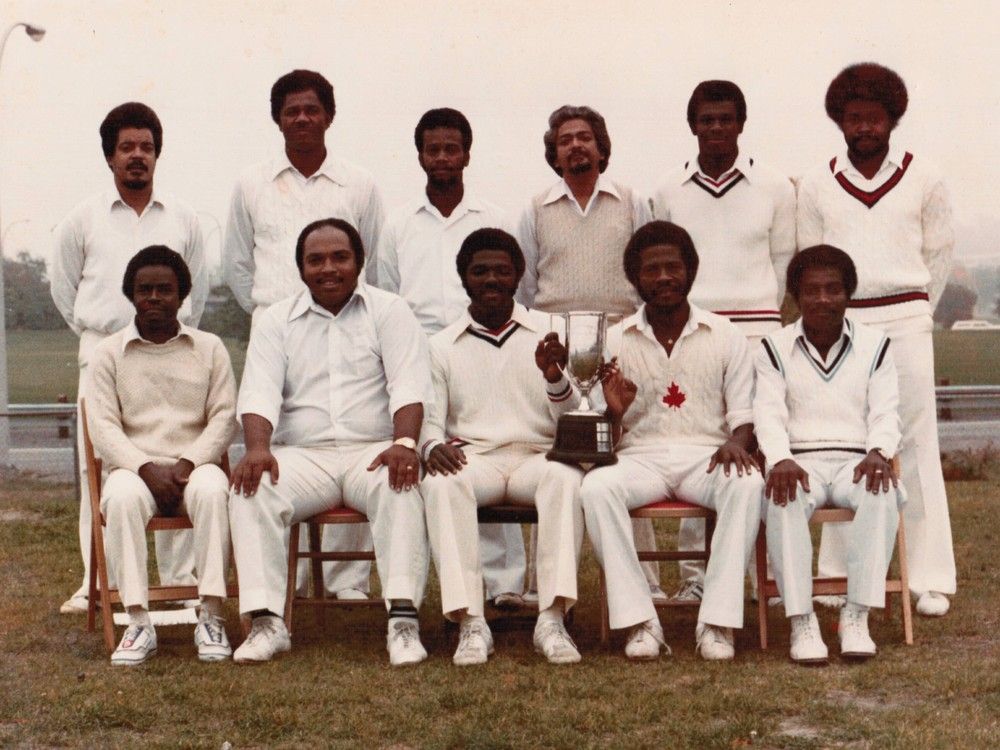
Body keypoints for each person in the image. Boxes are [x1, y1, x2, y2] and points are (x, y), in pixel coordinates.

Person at [228, 218, 431, 666]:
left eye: (340, 257)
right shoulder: (275, 320)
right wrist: (258, 448)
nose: (328, 268)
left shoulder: (390, 310)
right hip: (304, 455)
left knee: (401, 483)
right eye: (315, 260)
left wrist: (404, 442)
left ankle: (402, 621)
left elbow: (409, 385)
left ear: (359, 262)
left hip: (372, 451)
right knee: (252, 487)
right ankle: (267, 623)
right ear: (300, 269)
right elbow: (258, 391)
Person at [797, 63, 955, 616]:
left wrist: (913, 311)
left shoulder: (925, 176)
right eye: (853, 117)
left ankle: (929, 578)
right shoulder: (817, 182)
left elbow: (938, 255)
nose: (864, 126)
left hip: (907, 317)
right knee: (843, 444)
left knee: (912, 446)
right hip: (844, 321)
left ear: (892, 119)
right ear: (839, 121)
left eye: (874, 116)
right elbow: (810, 258)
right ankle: (838, 573)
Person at [223, 69, 384, 599]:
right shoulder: (251, 182)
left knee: (353, 436)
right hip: (278, 328)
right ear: (277, 119)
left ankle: (347, 580)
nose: (302, 119)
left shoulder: (358, 182)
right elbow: (237, 264)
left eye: (312, 109)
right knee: (279, 449)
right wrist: (277, 313)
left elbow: (374, 259)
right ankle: (282, 581)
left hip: (349, 325)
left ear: (329, 116)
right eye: (291, 111)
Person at [579, 221, 763, 661]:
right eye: (651, 270)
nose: (663, 278)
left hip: (707, 455)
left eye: (673, 267)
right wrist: (614, 413)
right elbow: (604, 431)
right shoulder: (614, 339)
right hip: (639, 457)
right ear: (635, 278)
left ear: (691, 271)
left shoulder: (725, 334)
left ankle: (717, 622)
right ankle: (639, 622)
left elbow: (743, 415)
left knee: (748, 483)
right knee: (596, 488)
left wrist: (739, 442)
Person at [50, 102, 206, 615]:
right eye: (126, 148)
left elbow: (197, 291)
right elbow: (64, 290)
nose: (136, 157)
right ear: (110, 157)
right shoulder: (82, 219)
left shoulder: (183, 218)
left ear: (157, 155)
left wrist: (167, 339)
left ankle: (179, 582)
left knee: (172, 461)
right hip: (103, 355)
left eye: (146, 147)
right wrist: (107, 339)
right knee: (101, 466)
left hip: (170, 354)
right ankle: (100, 582)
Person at [651, 80, 796, 602]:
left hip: (758, 331)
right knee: (703, 448)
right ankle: (697, 578)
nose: (716, 128)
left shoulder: (776, 186)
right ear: (692, 125)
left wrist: (763, 323)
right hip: (694, 332)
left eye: (726, 119)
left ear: (741, 123)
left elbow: (783, 262)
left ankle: (768, 577)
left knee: (762, 448)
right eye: (706, 119)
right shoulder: (668, 189)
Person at [377, 108, 526, 608]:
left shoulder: (494, 217)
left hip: (485, 346)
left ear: (466, 152)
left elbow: (511, 281)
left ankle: (505, 585)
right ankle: (440, 584)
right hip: (419, 354)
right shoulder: (398, 222)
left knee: (493, 449)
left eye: (451, 148)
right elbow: (388, 291)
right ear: (419, 154)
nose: (442, 157)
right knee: (435, 465)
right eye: (432, 149)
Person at [421, 228, 586, 665]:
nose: (491, 279)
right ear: (464, 278)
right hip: (476, 459)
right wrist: (430, 447)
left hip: (538, 456)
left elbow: (571, 418)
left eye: (502, 271)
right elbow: (431, 422)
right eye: (480, 272)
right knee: (441, 484)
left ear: (518, 275)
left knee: (566, 479)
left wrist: (555, 377)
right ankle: (471, 621)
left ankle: (551, 618)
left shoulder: (549, 331)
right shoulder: (440, 345)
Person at [516, 104, 661, 600]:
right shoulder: (536, 207)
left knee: (623, 453)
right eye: (564, 141)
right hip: (558, 342)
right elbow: (528, 284)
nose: (575, 146)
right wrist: (549, 340)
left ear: (601, 147)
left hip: (618, 338)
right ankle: (542, 586)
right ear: (554, 154)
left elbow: (644, 271)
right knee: (554, 454)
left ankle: (647, 584)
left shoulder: (631, 201)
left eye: (584, 138)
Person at [755, 245, 905, 663]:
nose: (823, 299)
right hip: (797, 463)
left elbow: (886, 412)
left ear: (848, 293)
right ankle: (802, 621)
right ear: (796, 296)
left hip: (856, 461)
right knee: (781, 499)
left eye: (833, 289)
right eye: (812, 290)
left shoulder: (877, 346)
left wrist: (879, 451)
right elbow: (767, 415)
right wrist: (779, 458)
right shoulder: (773, 347)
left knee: (882, 491)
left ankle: (856, 616)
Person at [87, 246, 236, 665]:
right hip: (135, 469)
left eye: (164, 290)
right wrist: (145, 468)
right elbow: (103, 427)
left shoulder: (209, 348)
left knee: (213, 492)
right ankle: (137, 620)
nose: (154, 298)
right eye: (144, 290)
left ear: (182, 295)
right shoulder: (108, 353)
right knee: (120, 498)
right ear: (131, 295)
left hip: (195, 465)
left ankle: (211, 615)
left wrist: (188, 464)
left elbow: (224, 418)